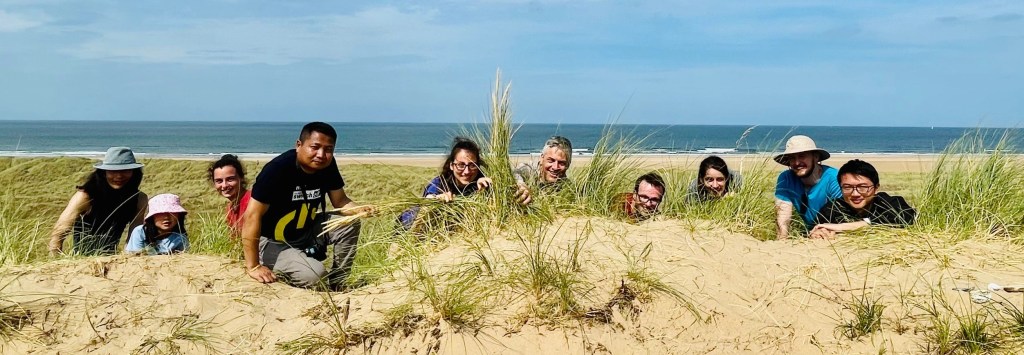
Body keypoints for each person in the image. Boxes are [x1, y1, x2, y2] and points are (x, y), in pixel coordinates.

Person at [242, 122, 375, 290]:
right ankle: (293, 267)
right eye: (315, 147)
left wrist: (360, 210)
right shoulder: (277, 170)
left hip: (307, 230)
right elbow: (252, 215)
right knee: (316, 276)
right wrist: (253, 266)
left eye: (328, 149)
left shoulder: (327, 166)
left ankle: (338, 282)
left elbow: (340, 201)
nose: (321, 154)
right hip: (273, 241)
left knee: (350, 222)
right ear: (299, 145)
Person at [49, 147, 149, 255]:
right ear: (103, 172)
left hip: (112, 259)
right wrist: (56, 262)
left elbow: (134, 238)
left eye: (125, 170)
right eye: (113, 171)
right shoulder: (85, 197)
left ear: (134, 173)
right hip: (81, 259)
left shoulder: (139, 199)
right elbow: (59, 232)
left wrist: (128, 260)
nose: (119, 176)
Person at [399, 137, 493, 229]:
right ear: (452, 165)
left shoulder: (480, 183)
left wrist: (484, 191)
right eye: (461, 165)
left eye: (472, 165)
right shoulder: (439, 183)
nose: (467, 171)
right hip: (406, 226)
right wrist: (437, 200)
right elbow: (429, 199)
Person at [810, 159, 916, 239]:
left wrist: (842, 227)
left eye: (863, 187)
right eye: (847, 187)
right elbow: (815, 228)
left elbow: (907, 217)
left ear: (876, 187)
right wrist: (819, 233)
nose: (855, 193)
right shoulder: (833, 208)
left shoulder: (889, 202)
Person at [773, 135, 842, 239]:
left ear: (815, 157)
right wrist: (782, 239)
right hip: (809, 233)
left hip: (836, 230)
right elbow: (782, 215)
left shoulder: (834, 179)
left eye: (802, 156)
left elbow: (843, 214)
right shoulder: (786, 178)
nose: (797, 163)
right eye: (792, 158)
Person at [513, 136, 572, 204]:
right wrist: (520, 184)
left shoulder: (567, 186)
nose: (555, 167)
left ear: (568, 165)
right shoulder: (530, 171)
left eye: (561, 163)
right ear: (541, 159)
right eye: (551, 160)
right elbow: (516, 172)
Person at [125, 193, 189, 254]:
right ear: (152, 217)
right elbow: (136, 257)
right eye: (161, 214)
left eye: (172, 213)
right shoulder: (140, 232)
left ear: (179, 216)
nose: (166, 217)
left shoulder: (180, 239)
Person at [208, 154, 251, 237]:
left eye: (230, 179)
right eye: (219, 181)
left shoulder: (252, 201)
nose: (224, 185)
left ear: (241, 178)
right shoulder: (230, 208)